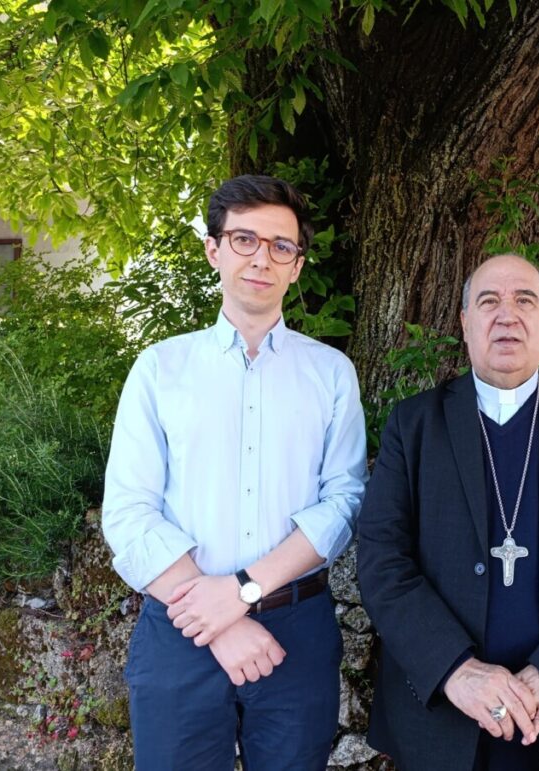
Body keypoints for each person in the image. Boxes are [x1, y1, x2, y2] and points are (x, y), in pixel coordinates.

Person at [102, 175, 368, 770]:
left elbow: (344, 501)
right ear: (213, 249)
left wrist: (243, 592)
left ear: (297, 266)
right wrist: (218, 621)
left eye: (281, 246)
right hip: (180, 633)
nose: (261, 258)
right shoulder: (159, 369)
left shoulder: (330, 374)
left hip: (294, 631)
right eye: (244, 239)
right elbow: (128, 509)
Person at [357, 253, 539, 771]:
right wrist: (455, 670)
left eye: (525, 300)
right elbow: (383, 560)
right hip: (446, 719)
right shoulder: (415, 426)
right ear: (465, 322)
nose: (506, 314)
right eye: (488, 301)